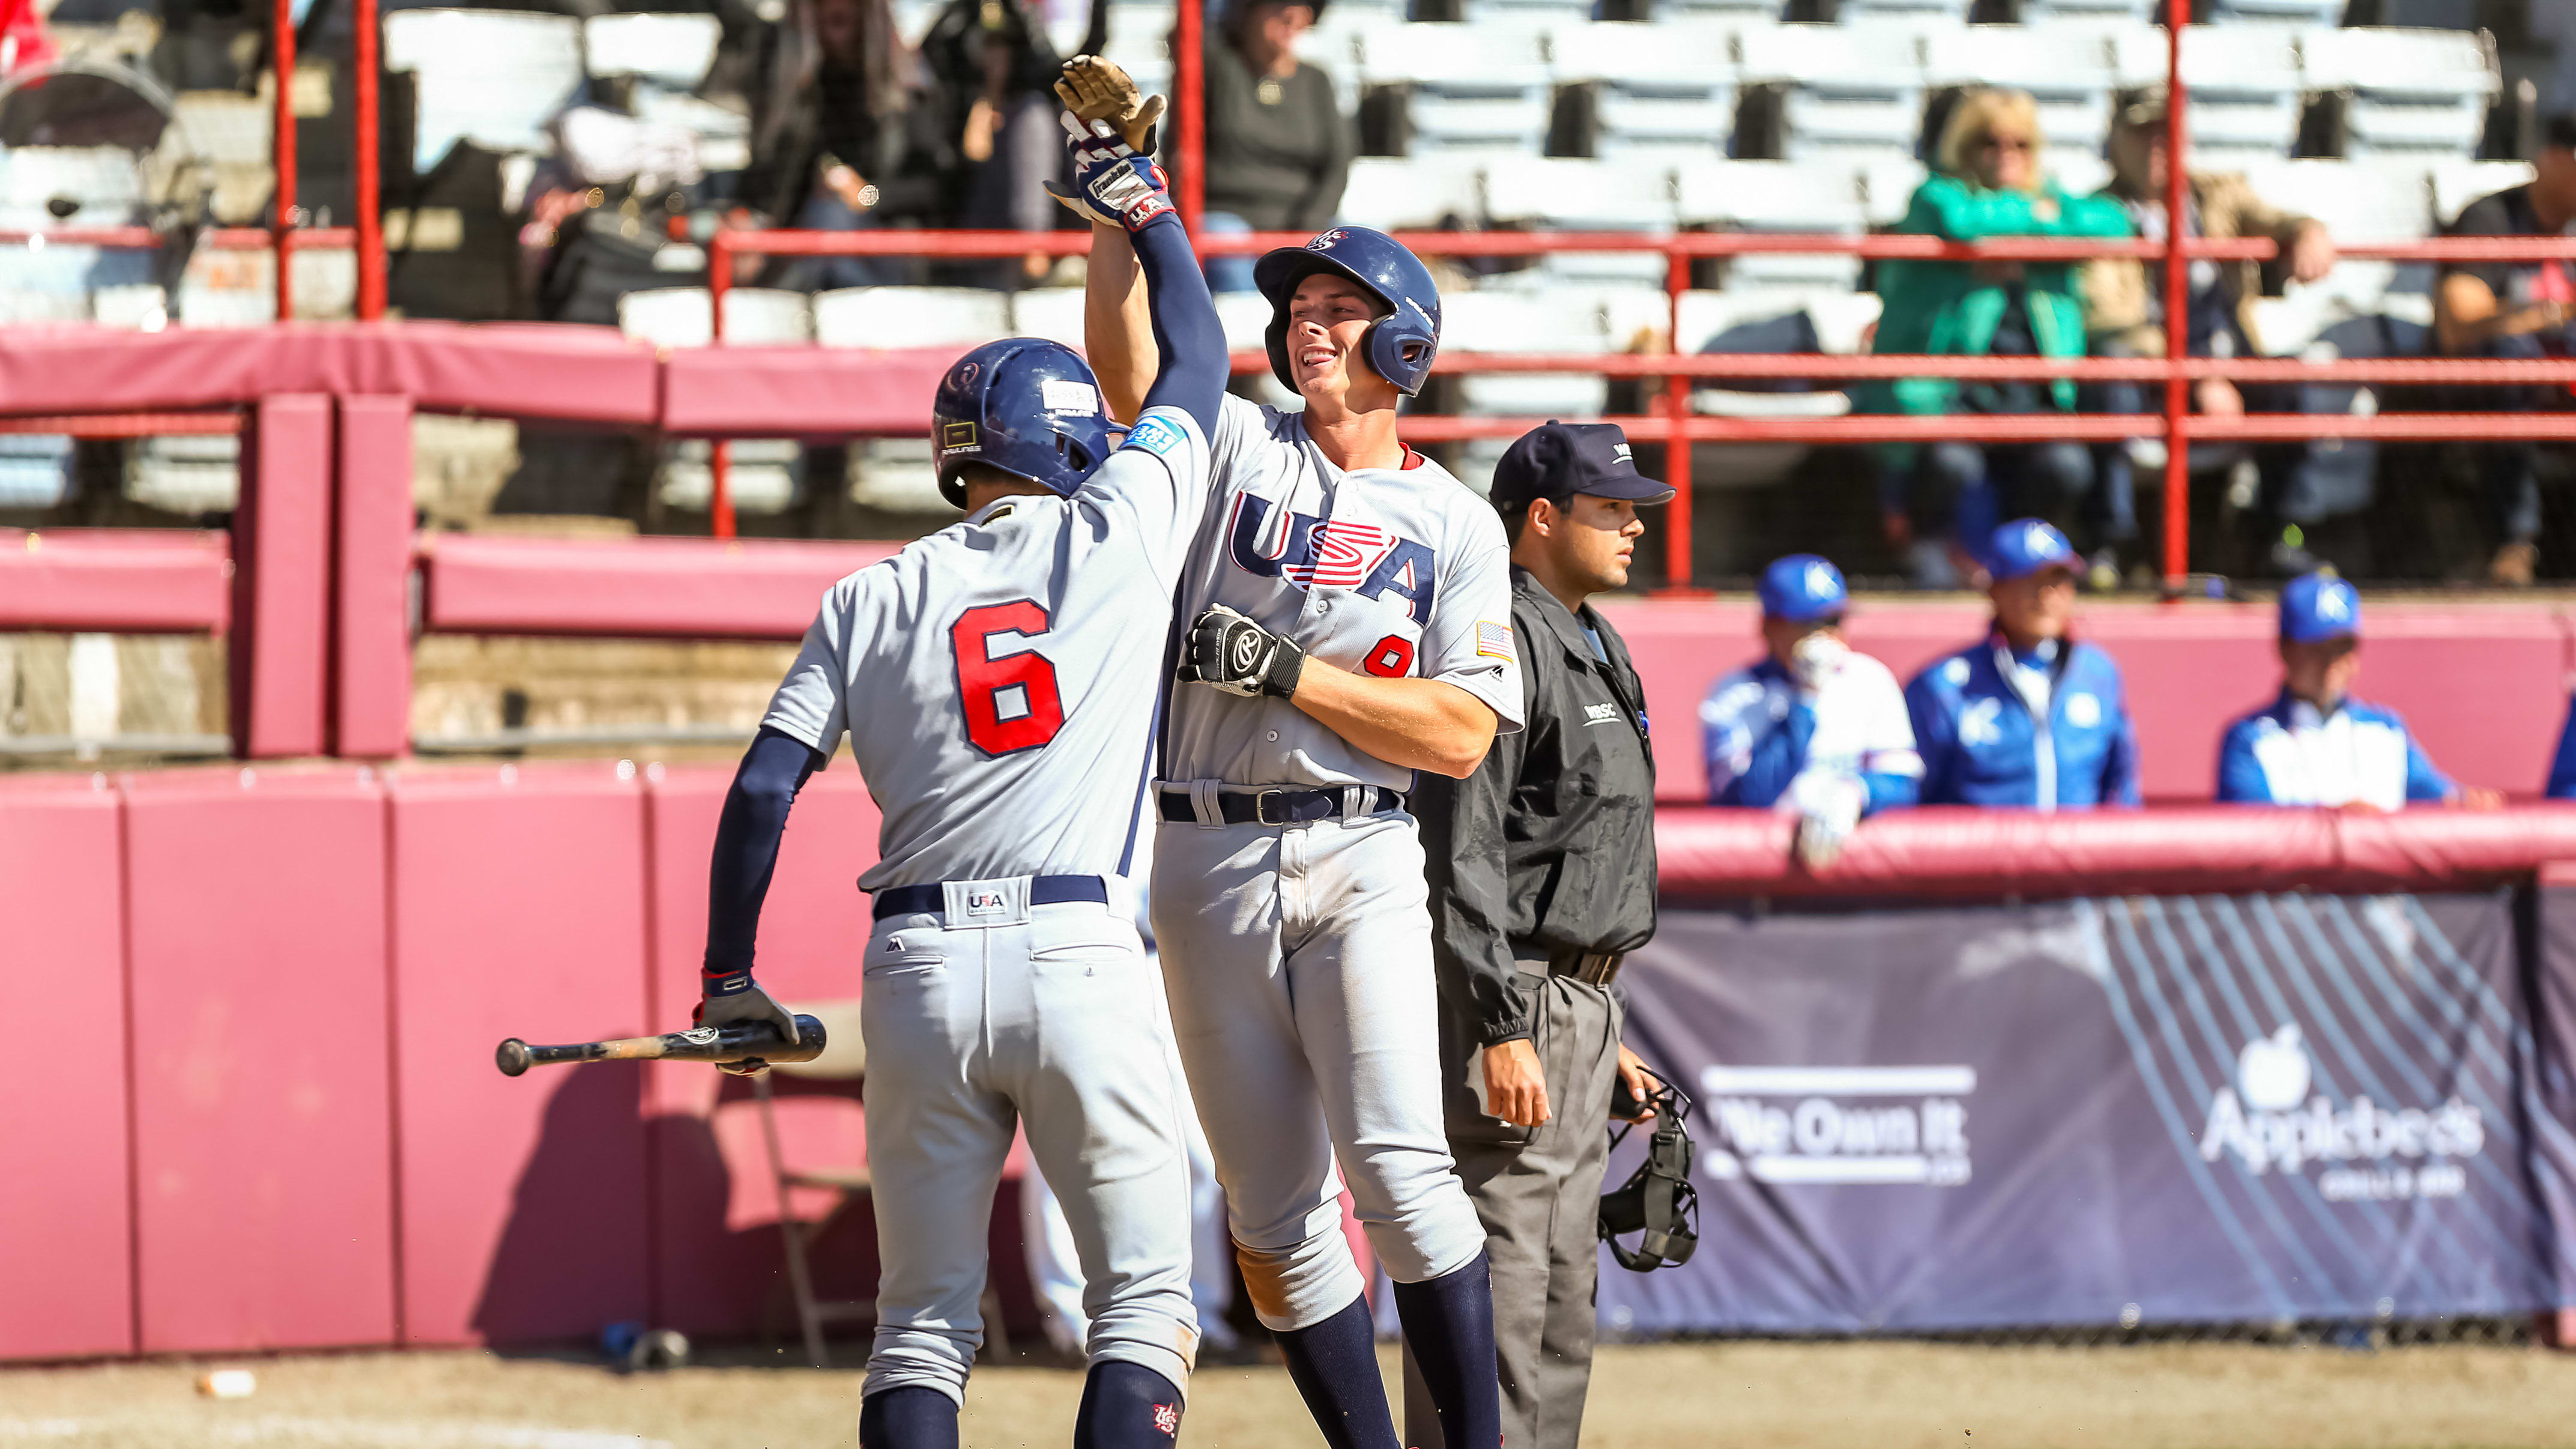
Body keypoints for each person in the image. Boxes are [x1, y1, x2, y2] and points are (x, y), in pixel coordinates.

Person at [695, 114, 1223, 1449]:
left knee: (923, 1322)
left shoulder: (866, 591)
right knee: (1143, 1305)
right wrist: (1142, 205)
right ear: (1069, 448)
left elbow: (763, 789)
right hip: (1080, 950)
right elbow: (1203, 352)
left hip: (916, 968)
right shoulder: (1117, 528)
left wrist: (727, 974)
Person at [1067, 58, 1511, 1449]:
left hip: (1358, 847)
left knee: (1400, 1172)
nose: (1306, 328)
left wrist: (1290, 674)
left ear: (1403, 344)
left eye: (1337, 310)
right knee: (1269, 1214)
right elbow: (1128, 366)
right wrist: (1112, 203)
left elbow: (1456, 732)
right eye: (1296, 311)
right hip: (1196, 852)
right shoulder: (1243, 447)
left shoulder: (1453, 522)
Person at [1406, 420, 1666, 1449]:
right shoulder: (1502, 634)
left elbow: (1571, 853)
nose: (1634, 525)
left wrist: (1601, 1026)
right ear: (1542, 517)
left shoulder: (1592, 634)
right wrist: (1503, 1022)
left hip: (1574, 1001)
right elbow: (1462, 851)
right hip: (1514, 992)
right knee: (1506, 1285)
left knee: (1559, 1294)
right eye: (1611, 506)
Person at [1864, 87, 2133, 588]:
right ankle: (1932, 549)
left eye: (2022, 144)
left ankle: (2028, 558)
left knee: (2065, 464)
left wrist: (2017, 236)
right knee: (1952, 462)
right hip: (1952, 396)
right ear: (1965, 147)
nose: (2007, 156)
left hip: (2034, 395)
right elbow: (1960, 222)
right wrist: (2040, 229)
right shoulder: (1935, 195)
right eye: (1990, 142)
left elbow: (2113, 224)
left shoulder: (2056, 199)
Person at [2080, 89, 2339, 581]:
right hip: (2150, 372)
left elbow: (2276, 217)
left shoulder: (2215, 193)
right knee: (2109, 375)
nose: (2160, 145)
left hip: (2227, 359)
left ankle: (2281, 536)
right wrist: (2199, 376)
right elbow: (2112, 321)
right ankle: (2112, 544)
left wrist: (2308, 231)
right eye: (2145, 132)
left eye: (2170, 131)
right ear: (2116, 141)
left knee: (2289, 385)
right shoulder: (2097, 212)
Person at [1021, 874, 1239, 1364]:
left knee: (1199, 1150)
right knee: (1061, 1145)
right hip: (1069, 954)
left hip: (1165, 961)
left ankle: (1200, 1312)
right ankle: (1070, 1318)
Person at [1701, 554, 1921, 867]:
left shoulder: (1870, 678)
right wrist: (1804, 700)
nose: (1826, 636)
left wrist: (1856, 793)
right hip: (1763, 870)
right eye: (1809, 624)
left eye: (1834, 621)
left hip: (1857, 865)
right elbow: (1745, 801)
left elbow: (1904, 784)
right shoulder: (1733, 695)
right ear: (1769, 627)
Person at [1905, 519, 2140, 810]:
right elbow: (1917, 797)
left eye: (2058, 579)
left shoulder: (2098, 672)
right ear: (1995, 590)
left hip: (2079, 852)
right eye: (2030, 580)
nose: (2047, 595)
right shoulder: (1944, 684)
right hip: (1981, 854)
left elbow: (2120, 788)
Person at [2216, 572, 2500, 811]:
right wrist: (2333, 824)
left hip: (2390, 878)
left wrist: (2465, 802)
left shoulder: (2386, 727)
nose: (2332, 663)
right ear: (2285, 649)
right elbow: (2253, 831)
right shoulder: (2249, 739)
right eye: (2317, 649)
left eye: (2343, 648)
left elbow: (2433, 794)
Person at [2435, 112, 2576, 587]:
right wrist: (2551, 314)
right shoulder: (2491, 217)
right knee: (2515, 354)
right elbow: (2460, 324)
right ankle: (2514, 541)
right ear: (2551, 159)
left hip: (2565, 385)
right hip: (2495, 386)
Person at [740, 0, 951, 291]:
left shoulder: (907, 87)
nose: (834, 9)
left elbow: (933, 185)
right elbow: (772, 181)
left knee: (834, 213)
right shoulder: (802, 89)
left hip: (884, 255)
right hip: (810, 252)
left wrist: (865, 194)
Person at [1199, 0, 1355, 293]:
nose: (1292, 16)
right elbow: (1188, 30)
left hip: (1303, 218)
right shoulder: (1218, 68)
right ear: (1247, 12)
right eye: (1279, 4)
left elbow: (1338, 163)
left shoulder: (1317, 80)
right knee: (1228, 256)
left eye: (1304, 7)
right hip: (1227, 214)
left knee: (1357, 252)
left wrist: (1308, 226)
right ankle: (1251, 338)